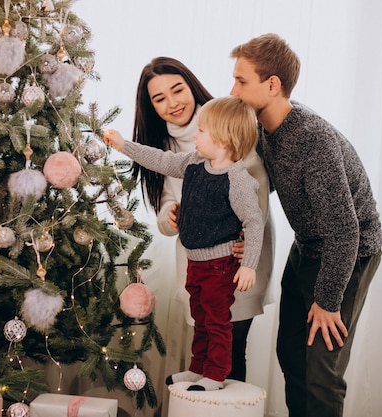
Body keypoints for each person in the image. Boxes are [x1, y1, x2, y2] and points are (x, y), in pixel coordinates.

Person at [229, 33, 382, 416]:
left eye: (241, 81)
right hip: (309, 247)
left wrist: (329, 301)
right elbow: (251, 186)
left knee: (320, 372)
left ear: (272, 85)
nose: (233, 90)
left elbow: (346, 231)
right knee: (291, 356)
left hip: (349, 251)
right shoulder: (263, 128)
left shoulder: (312, 139)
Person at [126, 57, 274, 384]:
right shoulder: (164, 146)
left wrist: (248, 249)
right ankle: (201, 378)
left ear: (191, 86)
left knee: (231, 341)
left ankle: (221, 393)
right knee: (206, 327)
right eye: (159, 98)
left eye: (177, 90)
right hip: (197, 259)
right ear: (150, 106)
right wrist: (170, 216)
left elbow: (255, 197)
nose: (172, 103)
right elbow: (164, 204)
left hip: (235, 256)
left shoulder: (228, 123)